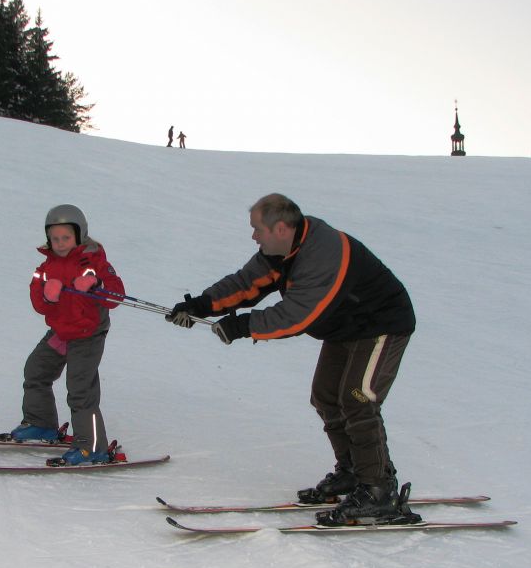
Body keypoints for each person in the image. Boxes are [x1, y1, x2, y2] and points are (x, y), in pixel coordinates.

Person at [165, 193, 416, 524]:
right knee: (326, 397)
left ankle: (378, 491)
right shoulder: (280, 249)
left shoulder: (323, 254)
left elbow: (297, 315)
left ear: (280, 228)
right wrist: (201, 305)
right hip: (346, 328)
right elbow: (246, 284)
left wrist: (242, 326)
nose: (254, 236)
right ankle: (354, 472)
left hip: (382, 325)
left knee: (357, 399)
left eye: (257, 229)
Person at [8, 204, 125, 465]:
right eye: (55, 238)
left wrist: (97, 285)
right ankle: (41, 423)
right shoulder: (45, 267)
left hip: (89, 333)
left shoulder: (94, 262)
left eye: (66, 238)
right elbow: (38, 304)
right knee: (36, 370)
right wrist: (48, 298)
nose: (60, 243)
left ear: (79, 235)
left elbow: (117, 295)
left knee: (80, 389)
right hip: (62, 332)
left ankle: (92, 447)